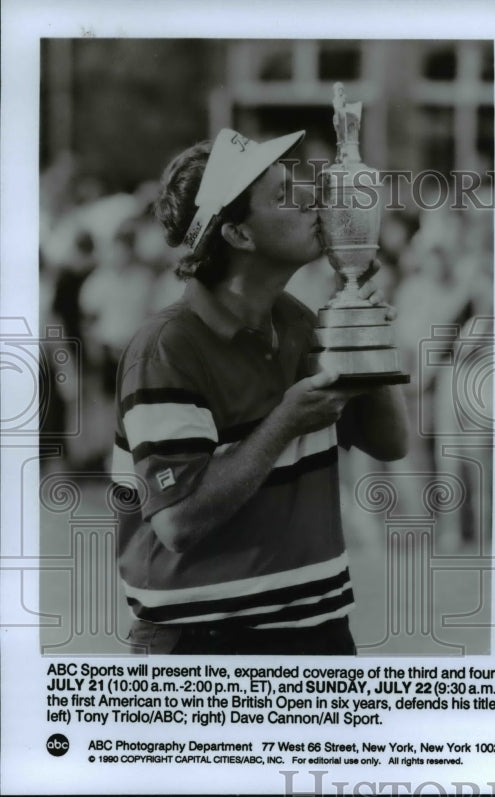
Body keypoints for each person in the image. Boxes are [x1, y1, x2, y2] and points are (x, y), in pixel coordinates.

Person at [111, 128, 408, 655]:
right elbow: (178, 520)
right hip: (204, 644)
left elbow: (390, 443)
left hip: (320, 626)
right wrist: (285, 423)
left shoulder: (297, 320)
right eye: (283, 196)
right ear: (240, 236)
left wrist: (367, 337)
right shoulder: (167, 347)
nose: (310, 200)